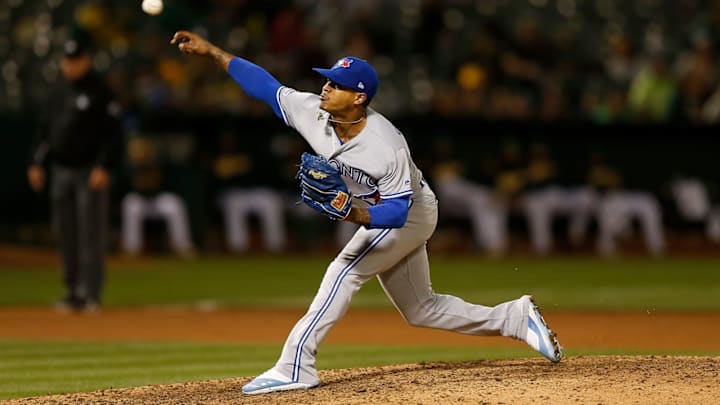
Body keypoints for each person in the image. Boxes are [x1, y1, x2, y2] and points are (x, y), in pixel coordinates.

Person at [170, 30, 563, 395]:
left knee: (344, 270)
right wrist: (213, 53)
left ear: (359, 97)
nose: (325, 86)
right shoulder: (313, 111)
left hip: (409, 211)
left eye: (336, 84)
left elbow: (396, 213)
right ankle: (513, 317)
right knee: (420, 309)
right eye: (327, 80)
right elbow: (266, 86)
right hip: (385, 210)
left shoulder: (386, 144)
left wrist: (351, 214)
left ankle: (296, 365)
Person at [27, 36, 123, 312]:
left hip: (88, 170)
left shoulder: (100, 91)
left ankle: (90, 293)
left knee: (90, 233)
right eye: (66, 61)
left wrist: (105, 166)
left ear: (86, 61)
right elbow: (46, 131)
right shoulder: (57, 90)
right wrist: (35, 162)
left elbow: (113, 136)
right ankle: (72, 291)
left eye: (75, 60)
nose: (70, 66)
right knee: (65, 232)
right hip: (60, 170)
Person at [120, 137, 196, 258]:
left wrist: (154, 186)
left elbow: (167, 185)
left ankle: (183, 246)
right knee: (130, 203)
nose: (141, 154)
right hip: (140, 202)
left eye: (143, 151)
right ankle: (131, 248)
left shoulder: (158, 165)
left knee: (174, 203)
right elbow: (125, 189)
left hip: (157, 200)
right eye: (138, 151)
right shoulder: (129, 168)